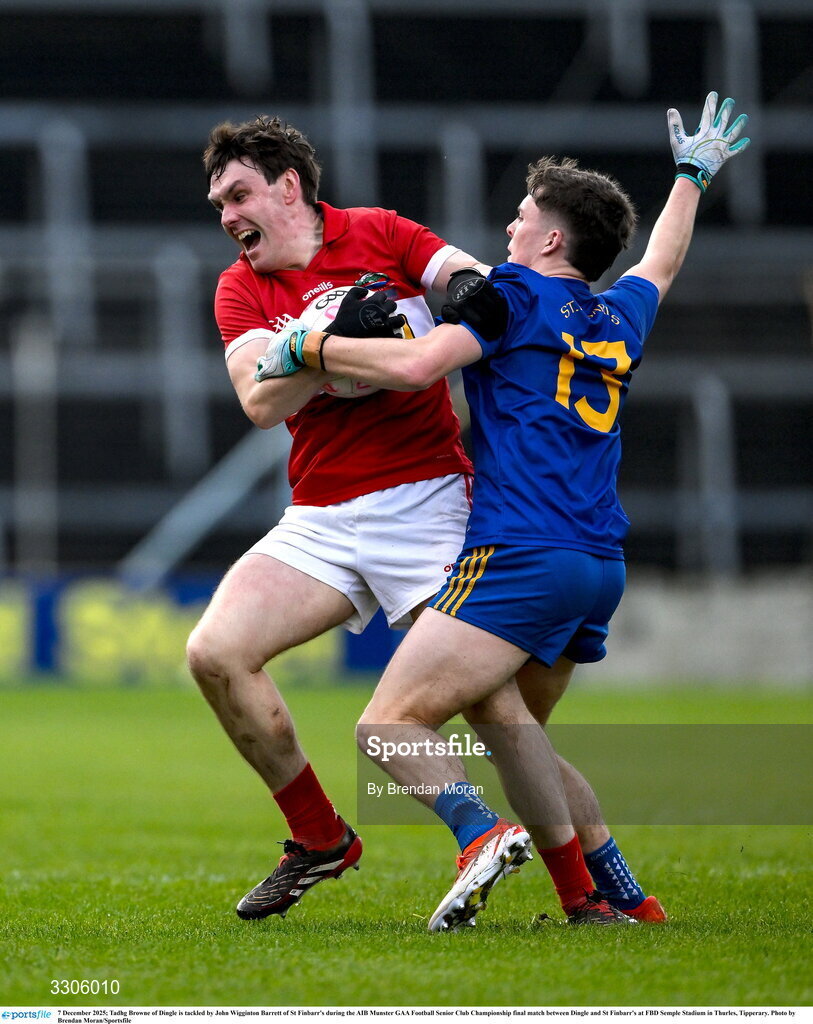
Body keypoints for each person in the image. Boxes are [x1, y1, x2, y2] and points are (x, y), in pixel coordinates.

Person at [256, 92, 749, 929]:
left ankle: (488, 840)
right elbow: (659, 264)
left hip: (520, 552)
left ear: (552, 239)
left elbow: (419, 370)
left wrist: (312, 346)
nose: (509, 231)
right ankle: (612, 899)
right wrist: (691, 177)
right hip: (599, 564)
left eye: (521, 217)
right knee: (517, 736)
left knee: (386, 726)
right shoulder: (614, 313)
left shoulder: (512, 295)